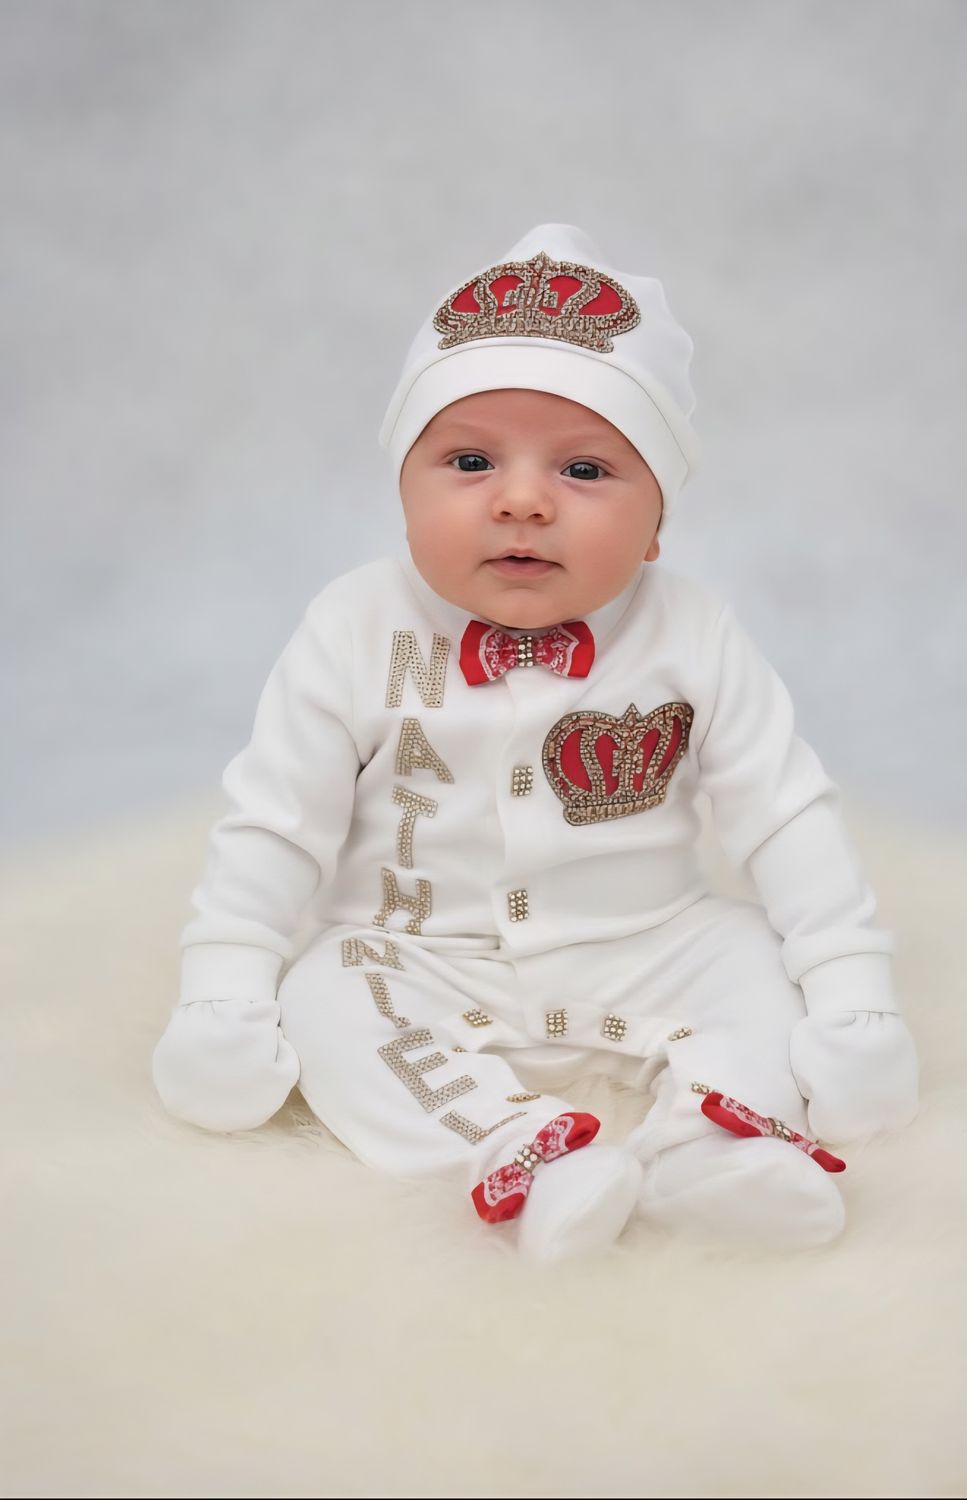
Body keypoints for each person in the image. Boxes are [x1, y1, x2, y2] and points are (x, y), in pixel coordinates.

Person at [151, 223, 919, 1261]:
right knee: (325, 989)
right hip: (419, 952)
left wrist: (852, 1001)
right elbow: (277, 825)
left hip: (643, 941)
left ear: (657, 525)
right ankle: (524, 1157)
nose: (521, 499)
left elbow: (783, 814)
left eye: (587, 470)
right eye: (468, 460)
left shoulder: (689, 628)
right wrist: (223, 988)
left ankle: (718, 1148)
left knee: (747, 957)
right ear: (403, 490)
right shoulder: (351, 627)